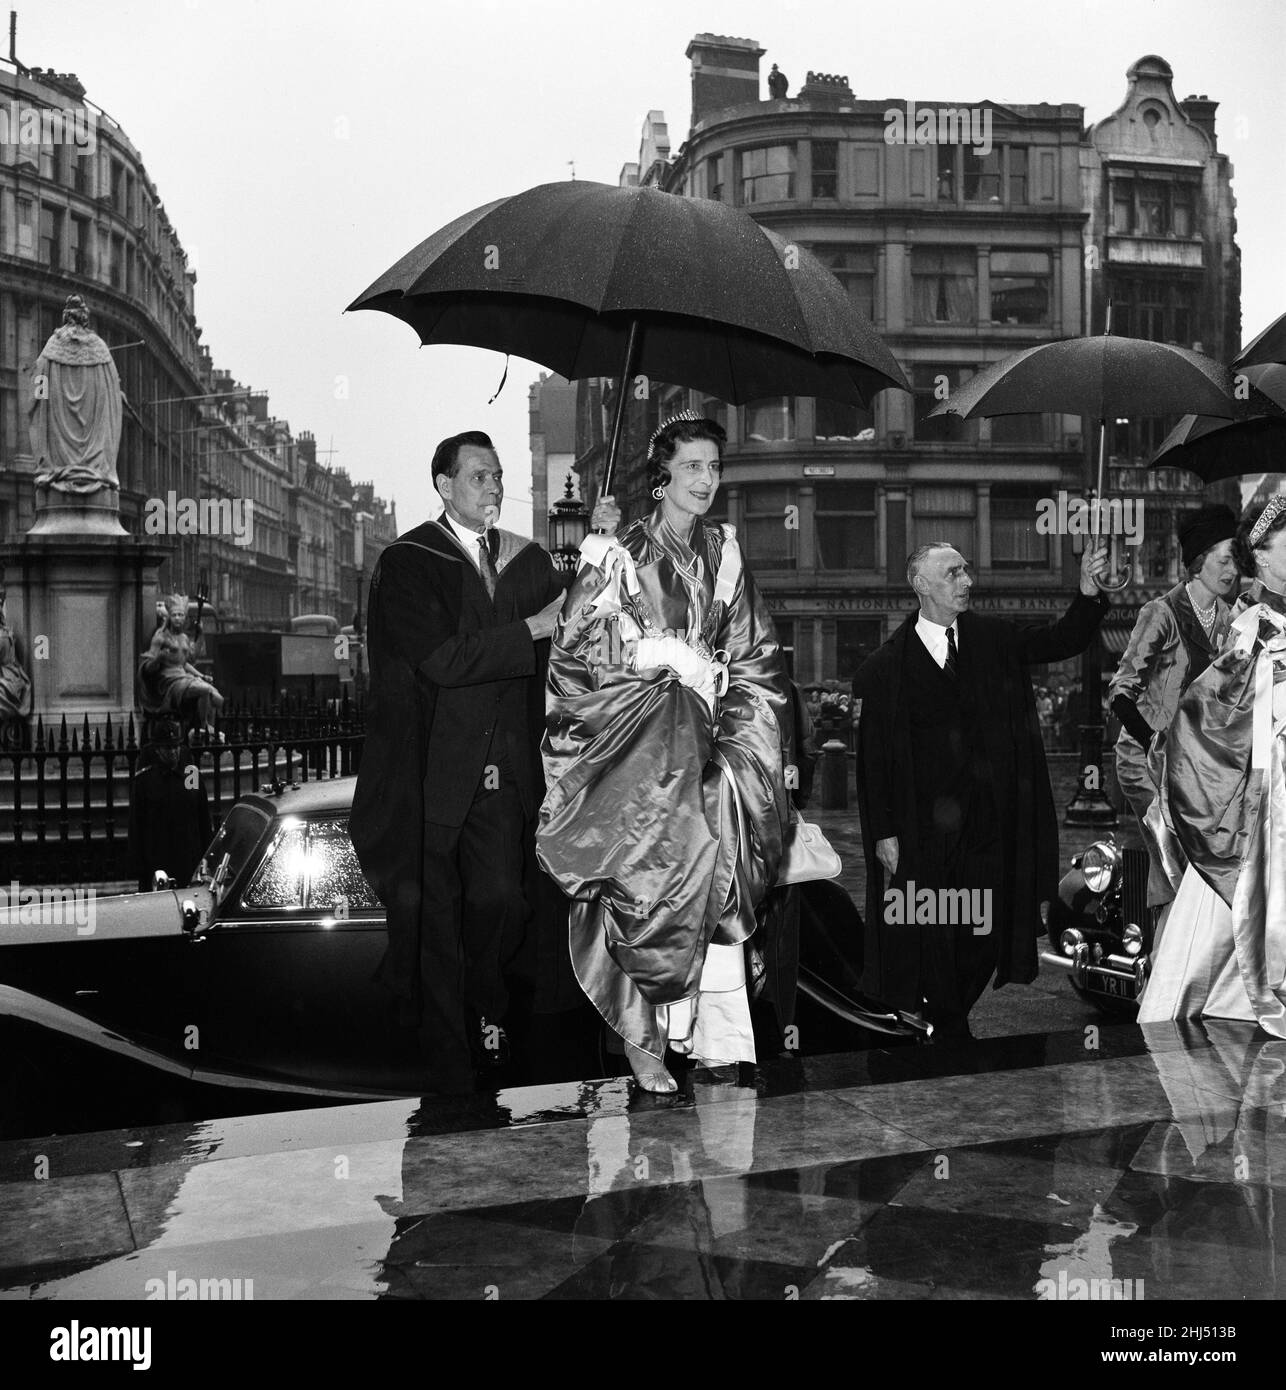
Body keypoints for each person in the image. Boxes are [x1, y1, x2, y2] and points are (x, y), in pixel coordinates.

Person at [350, 429, 617, 1092]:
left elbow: (577, 624)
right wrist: (528, 629)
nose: (494, 488)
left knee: (500, 899)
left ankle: (489, 1009)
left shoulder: (523, 562)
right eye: (479, 477)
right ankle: (452, 1076)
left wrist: (603, 544)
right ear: (443, 485)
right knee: (436, 926)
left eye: (498, 477)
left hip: (504, 782)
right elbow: (440, 660)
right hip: (434, 780)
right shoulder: (410, 562)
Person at [537, 411, 794, 1093]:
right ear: (661, 480)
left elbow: (756, 655)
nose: (706, 480)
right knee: (647, 879)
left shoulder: (725, 555)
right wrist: (657, 657)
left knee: (716, 870)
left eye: (714, 467)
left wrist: (743, 731)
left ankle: (711, 1034)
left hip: (710, 739)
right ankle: (642, 1041)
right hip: (643, 743)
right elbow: (574, 651)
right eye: (692, 467)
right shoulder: (619, 551)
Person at [853, 538, 1110, 1042]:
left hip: (989, 826)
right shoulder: (885, 669)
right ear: (921, 585)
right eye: (953, 573)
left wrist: (1086, 594)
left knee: (986, 929)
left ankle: (949, 1012)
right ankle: (949, 1020)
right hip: (922, 831)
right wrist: (883, 833)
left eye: (966, 571)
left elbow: (1061, 640)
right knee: (933, 929)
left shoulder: (993, 639)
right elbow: (874, 764)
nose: (967, 581)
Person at [1138, 495, 1286, 1038]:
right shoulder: (1255, 629)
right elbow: (1210, 716)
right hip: (1265, 798)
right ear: (1263, 559)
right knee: (1229, 919)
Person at [1107, 504, 1239, 909]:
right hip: (1143, 763)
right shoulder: (1160, 613)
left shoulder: (1228, 619)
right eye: (1225, 559)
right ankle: (1162, 962)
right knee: (1174, 866)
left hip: (1191, 769)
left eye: (1236, 559)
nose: (1233, 570)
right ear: (1199, 562)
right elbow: (1120, 691)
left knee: (1199, 874)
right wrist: (1153, 743)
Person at [127, 717, 212, 893]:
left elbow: (201, 814)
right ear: (157, 750)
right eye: (168, 748)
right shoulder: (145, 780)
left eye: (176, 747)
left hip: (188, 857)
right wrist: (140, 867)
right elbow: (137, 824)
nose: (173, 752)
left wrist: (207, 856)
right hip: (158, 860)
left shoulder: (190, 775)